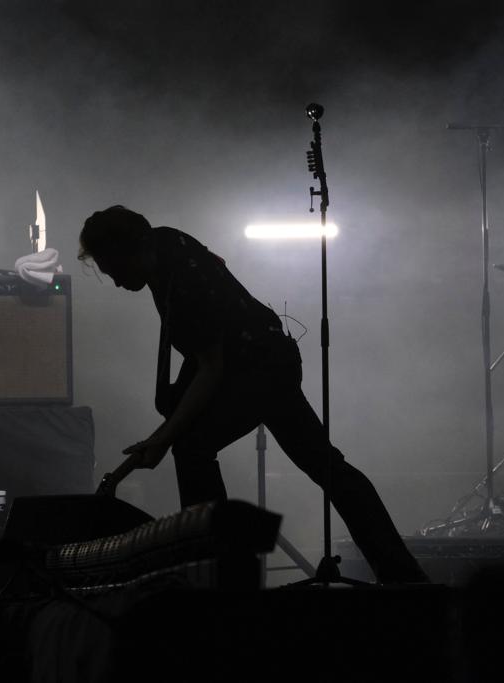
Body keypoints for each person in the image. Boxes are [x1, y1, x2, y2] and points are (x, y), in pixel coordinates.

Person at [80, 205, 427, 583]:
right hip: (263, 364)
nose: (115, 282)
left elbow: (211, 367)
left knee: (193, 448)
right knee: (326, 466)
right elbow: (204, 355)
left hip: (260, 370)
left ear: (133, 250)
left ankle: (222, 580)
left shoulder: (180, 274)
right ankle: (402, 574)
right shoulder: (165, 248)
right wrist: (167, 425)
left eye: (115, 270)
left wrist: (164, 437)